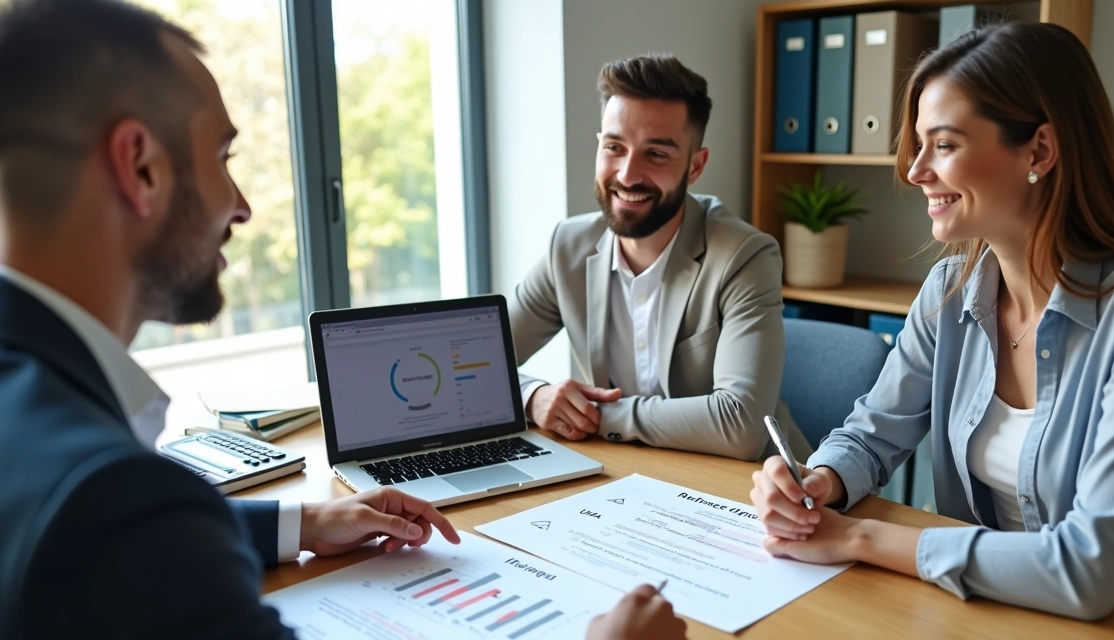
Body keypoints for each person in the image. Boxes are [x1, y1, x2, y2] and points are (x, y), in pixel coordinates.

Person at [0, 1, 684, 638]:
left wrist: (302, 523)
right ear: (140, 167)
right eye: (221, 158)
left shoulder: (70, 464)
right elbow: (126, 530)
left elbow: (139, 542)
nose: (241, 206)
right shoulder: (110, 499)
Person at [750, 22, 1114, 621]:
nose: (915, 171)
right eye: (918, 145)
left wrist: (858, 537)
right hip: (977, 610)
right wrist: (819, 481)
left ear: (1039, 151)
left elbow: (1090, 569)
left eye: (943, 145)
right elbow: (871, 435)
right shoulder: (950, 290)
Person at [510, 54, 810, 462]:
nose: (628, 175)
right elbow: (477, 370)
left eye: (656, 154)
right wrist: (534, 396)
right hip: (628, 472)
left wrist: (594, 415)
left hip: (748, 484)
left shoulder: (745, 256)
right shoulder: (568, 248)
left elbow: (740, 425)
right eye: (614, 147)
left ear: (695, 166)